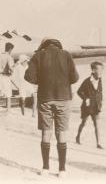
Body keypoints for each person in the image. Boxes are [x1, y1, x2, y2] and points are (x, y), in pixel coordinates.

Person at [25, 37, 79, 178]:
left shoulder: (38, 55)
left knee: (46, 132)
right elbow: (75, 78)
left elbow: (29, 77)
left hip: (45, 98)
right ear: (58, 45)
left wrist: (43, 81)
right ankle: (62, 170)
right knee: (61, 133)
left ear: (44, 46)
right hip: (64, 98)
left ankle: (45, 168)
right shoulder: (66, 54)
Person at [75, 61, 104, 149]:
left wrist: (100, 102)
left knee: (97, 124)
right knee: (83, 122)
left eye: (102, 69)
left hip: (96, 106)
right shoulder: (87, 81)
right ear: (94, 70)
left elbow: (99, 92)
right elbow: (79, 91)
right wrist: (85, 98)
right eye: (100, 69)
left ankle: (98, 143)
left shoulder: (100, 80)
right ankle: (78, 136)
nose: (102, 71)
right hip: (87, 107)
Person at [0, 42, 15, 117]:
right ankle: (8, 112)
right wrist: (13, 69)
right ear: (10, 49)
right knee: (8, 96)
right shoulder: (9, 57)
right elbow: (11, 68)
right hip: (5, 77)